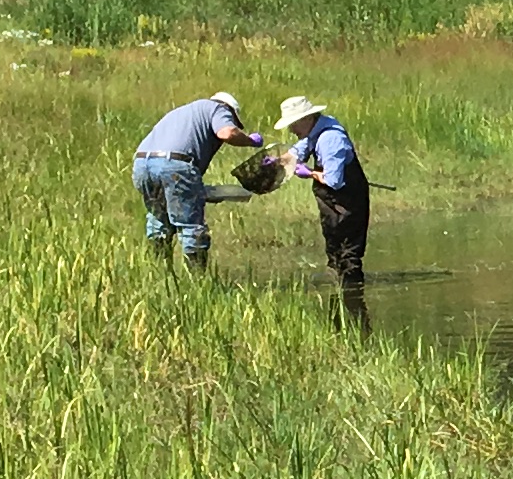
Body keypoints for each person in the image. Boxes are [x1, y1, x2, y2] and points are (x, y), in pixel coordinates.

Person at [133, 91, 264, 267]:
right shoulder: (218, 108)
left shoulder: (181, 112)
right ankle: (198, 280)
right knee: (190, 226)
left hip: (142, 164)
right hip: (174, 165)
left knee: (159, 219)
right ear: (230, 111)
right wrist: (250, 141)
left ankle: (158, 271)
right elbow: (227, 133)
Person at [273, 96, 371, 323]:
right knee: (334, 249)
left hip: (348, 201)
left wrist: (309, 173)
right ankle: (338, 310)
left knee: (349, 254)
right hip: (331, 204)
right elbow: (300, 149)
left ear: (307, 118)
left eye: (294, 124)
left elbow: (334, 180)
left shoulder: (331, 139)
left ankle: (354, 302)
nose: (292, 130)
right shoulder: (316, 129)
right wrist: (280, 161)